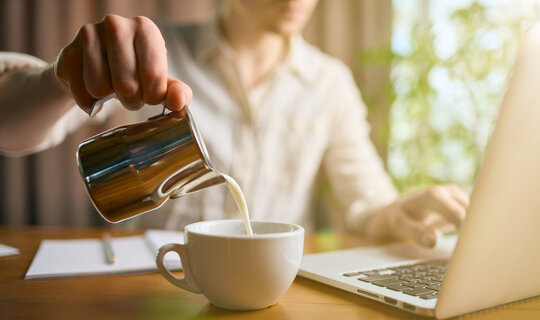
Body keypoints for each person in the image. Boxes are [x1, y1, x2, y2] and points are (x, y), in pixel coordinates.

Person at [0, 0, 468, 247]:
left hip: (268, 300)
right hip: (151, 288)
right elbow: (11, 129)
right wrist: (60, 79)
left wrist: (396, 213)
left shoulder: (329, 81)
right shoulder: (155, 55)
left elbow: (365, 199)